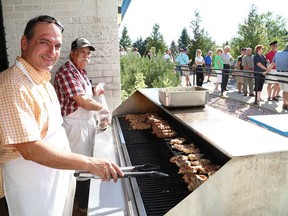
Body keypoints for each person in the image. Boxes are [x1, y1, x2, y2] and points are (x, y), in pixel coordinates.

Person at [0, 15, 123, 216]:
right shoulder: (12, 85)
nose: (52, 52)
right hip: (34, 188)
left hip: (56, 180)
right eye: (44, 42)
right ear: (24, 42)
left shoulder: (40, 79)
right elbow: (29, 149)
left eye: (57, 46)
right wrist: (90, 163)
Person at [54, 37, 110, 213]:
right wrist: (103, 108)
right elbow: (83, 102)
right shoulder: (66, 72)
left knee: (85, 165)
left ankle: (82, 203)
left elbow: (86, 92)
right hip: (75, 127)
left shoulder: (80, 71)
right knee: (82, 168)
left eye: (88, 53)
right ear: (72, 53)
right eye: (82, 53)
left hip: (85, 124)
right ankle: (83, 208)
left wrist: (95, 91)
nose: (86, 56)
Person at [269, 43, 288, 110]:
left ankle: (285, 104)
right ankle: (286, 104)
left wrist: (266, 71)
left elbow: (272, 64)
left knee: (285, 90)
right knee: (286, 90)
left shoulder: (278, 53)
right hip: (286, 74)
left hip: (278, 73)